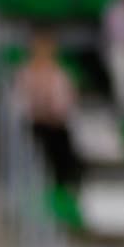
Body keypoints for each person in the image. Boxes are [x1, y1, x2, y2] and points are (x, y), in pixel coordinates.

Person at [14, 33, 80, 186]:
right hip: (33, 122)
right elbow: (18, 104)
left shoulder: (60, 75)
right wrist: (38, 110)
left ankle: (64, 182)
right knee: (40, 135)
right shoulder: (24, 74)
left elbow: (66, 103)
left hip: (55, 123)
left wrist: (54, 112)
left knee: (61, 139)